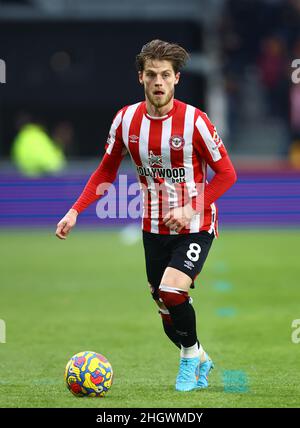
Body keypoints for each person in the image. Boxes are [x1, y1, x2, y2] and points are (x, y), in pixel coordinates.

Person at [56, 39, 237, 392]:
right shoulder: (125, 121)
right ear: (141, 77)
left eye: (166, 75)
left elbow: (227, 174)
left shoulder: (195, 122)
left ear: (176, 79)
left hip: (196, 223)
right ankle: (198, 353)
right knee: (163, 301)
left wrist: (191, 207)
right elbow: (105, 172)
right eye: (152, 74)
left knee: (172, 289)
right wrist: (75, 210)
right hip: (153, 226)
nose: (159, 81)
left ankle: (187, 362)